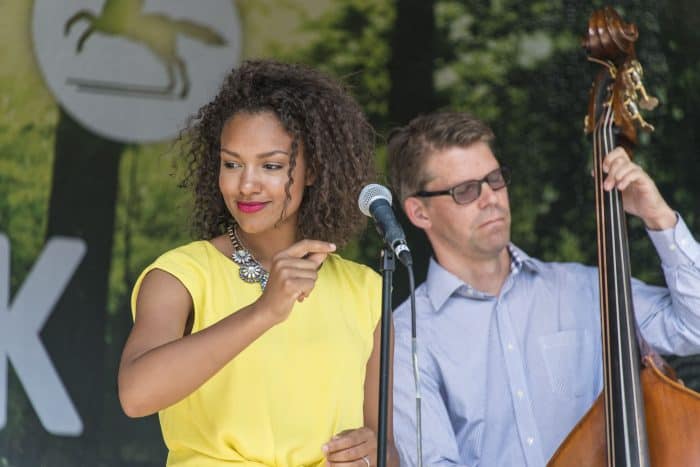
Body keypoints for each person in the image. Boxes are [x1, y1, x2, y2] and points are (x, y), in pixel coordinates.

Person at [118, 59, 398, 467]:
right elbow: (135, 395)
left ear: (313, 170)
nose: (246, 184)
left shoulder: (367, 291)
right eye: (232, 164)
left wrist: (368, 453)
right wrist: (264, 311)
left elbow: (385, 449)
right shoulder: (179, 275)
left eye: (271, 166)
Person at [387, 111, 700, 466]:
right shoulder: (407, 337)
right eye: (466, 191)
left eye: (494, 179)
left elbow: (695, 327)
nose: (490, 198)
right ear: (419, 213)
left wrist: (658, 217)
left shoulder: (589, 289)